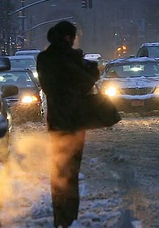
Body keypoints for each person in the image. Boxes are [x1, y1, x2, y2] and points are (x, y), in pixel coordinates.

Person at [36, 21, 98, 228]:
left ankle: (61, 218)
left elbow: (49, 87)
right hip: (73, 120)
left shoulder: (45, 59)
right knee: (70, 172)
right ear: (66, 38)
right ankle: (69, 217)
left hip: (56, 122)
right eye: (72, 37)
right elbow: (86, 81)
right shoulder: (68, 59)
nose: (73, 41)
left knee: (60, 171)